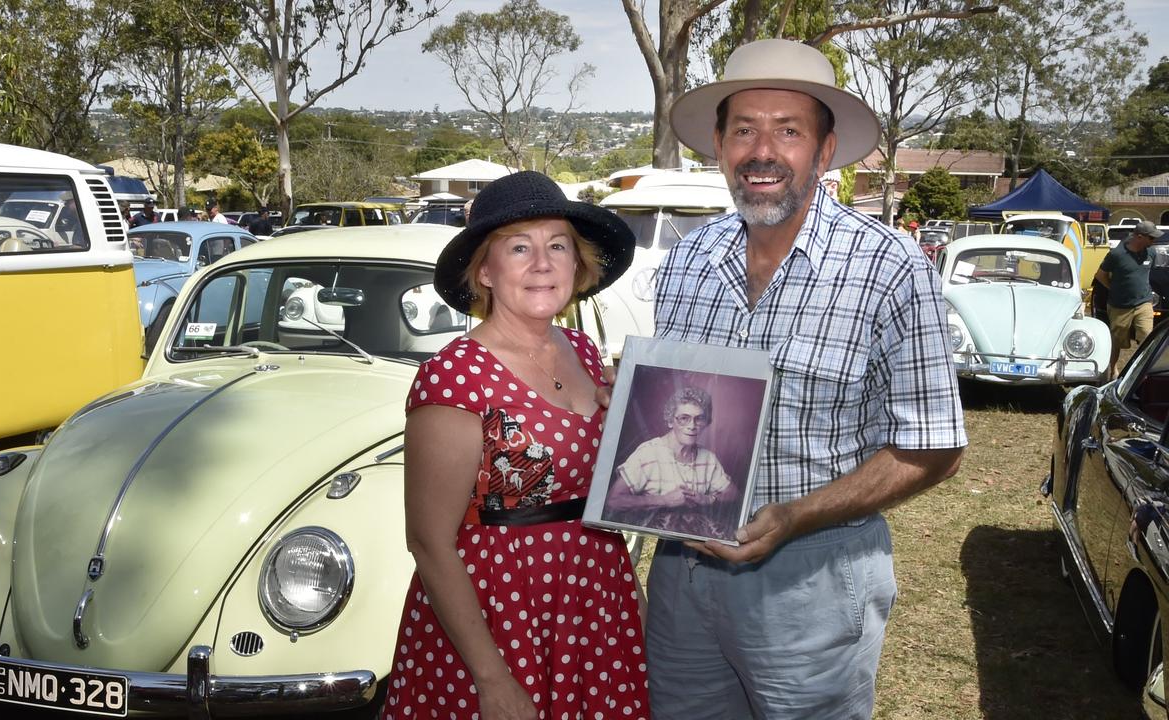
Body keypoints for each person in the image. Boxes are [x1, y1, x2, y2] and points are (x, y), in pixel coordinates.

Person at [623, 38, 967, 718]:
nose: (763, 151)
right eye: (744, 129)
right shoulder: (690, 259)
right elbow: (675, 404)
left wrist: (795, 516)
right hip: (683, 579)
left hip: (813, 579)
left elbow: (935, 447)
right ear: (719, 145)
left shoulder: (890, 268)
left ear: (825, 149)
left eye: (789, 131)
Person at [382, 170, 648, 720]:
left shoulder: (583, 350)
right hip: (498, 614)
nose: (542, 263)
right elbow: (429, 540)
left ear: (577, 265)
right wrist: (492, 678)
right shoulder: (453, 376)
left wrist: (629, 408)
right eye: (519, 247)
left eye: (558, 246)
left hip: (595, 599)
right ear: (485, 269)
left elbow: (591, 480)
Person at [603, 385, 737, 540]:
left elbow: (734, 495)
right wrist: (665, 500)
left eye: (699, 418)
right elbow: (613, 501)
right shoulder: (649, 453)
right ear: (670, 421)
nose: (692, 426)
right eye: (683, 418)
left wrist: (707, 499)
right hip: (652, 542)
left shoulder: (707, 458)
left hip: (693, 543)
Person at [1096, 219, 1161, 374]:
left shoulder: (1151, 252)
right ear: (1139, 236)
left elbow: (1147, 272)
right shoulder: (1117, 254)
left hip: (1143, 302)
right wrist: (1112, 287)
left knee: (1147, 336)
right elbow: (1100, 275)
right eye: (1151, 237)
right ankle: (1112, 371)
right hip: (1119, 305)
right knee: (1117, 342)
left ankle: (1144, 372)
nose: (1154, 240)